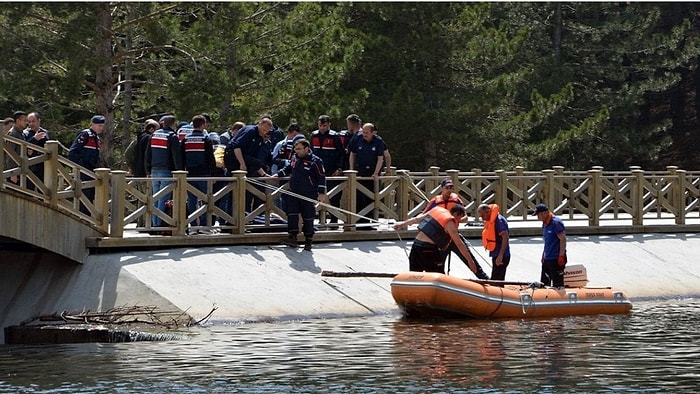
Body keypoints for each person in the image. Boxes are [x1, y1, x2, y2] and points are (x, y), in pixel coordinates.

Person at [421, 178, 490, 279]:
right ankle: (438, 284)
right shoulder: (435, 201)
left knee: (470, 259)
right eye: (447, 188)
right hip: (440, 238)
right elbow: (424, 216)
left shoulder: (457, 200)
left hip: (454, 236)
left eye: (451, 188)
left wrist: (456, 220)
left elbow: (465, 217)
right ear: (441, 188)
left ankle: (485, 280)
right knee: (437, 265)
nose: (449, 190)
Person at [392, 205, 484, 277]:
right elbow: (459, 244)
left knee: (415, 275)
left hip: (416, 246)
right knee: (438, 275)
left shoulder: (436, 210)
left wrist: (402, 224)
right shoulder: (450, 223)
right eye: (459, 219)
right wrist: (470, 261)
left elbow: (417, 219)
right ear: (456, 214)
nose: (458, 222)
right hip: (428, 249)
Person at [270, 138, 326, 251]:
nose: (297, 151)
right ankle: (292, 237)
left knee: (308, 217)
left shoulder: (316, 161)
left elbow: (321, 177)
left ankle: (308, 240)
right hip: (294, 192)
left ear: (307, 149)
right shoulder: (295, 158)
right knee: (292, 214)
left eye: (299, 149)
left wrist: (321, 193)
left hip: (308, 194)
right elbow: (289, 168)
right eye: (296, 149)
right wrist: (278, 174)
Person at [226, 115, 274, 213]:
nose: (264, 132)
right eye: (263, 129)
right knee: (235, 189)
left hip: (245, 157)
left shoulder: (260, 138)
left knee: (249, 188)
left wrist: (263, 174)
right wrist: (242, 164)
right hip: (234, 156)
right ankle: (231, 216)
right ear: (259, 124)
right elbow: (237, 147)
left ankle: (246, 215)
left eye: (266, 131)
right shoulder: (250, 131)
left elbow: (255, 159)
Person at [145, 115, 183, 230]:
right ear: (173, 124)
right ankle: (159, 224)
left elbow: (148, 153)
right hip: (166, 170)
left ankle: (153, 223)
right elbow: (176, 156)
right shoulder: (172, 136)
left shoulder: (154, 134)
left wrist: (147, 169)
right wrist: (179, 171)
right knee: (163, 198)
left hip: (154, 169)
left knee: (155, 198)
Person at [181, 115, 216, 232]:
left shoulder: (185, 139)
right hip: (204, 173)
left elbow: (182, 157)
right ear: (202, 125)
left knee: (192, 200)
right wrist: (213, 173)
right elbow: (211, 158)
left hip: (190, 173)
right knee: (207, 199)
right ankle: (205, 226)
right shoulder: (206, 139)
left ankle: (193, 225)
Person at [349, 123, 385, 229]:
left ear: (373, 132)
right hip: (360, 171)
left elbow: (380, 158)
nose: (364, 134)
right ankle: (358, 221)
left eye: (367, 133)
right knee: (359, 197)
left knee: (371, 198)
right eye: (363, 132)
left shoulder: (378, 141)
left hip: (372, 172)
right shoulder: (358, 139)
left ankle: (368, 222)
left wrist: (376, 172)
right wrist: (352, 169)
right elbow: (352, 154)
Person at [310, 115, 344, 226]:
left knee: (334, 196)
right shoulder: (314, 135)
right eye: (320, 125)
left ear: (329, 125)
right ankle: (320, 219)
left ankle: (334, 219)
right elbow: (310, 153)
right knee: (317, 195)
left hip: (332, 170)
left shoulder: (335, 136)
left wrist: (339, 168)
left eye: (324, 125)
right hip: (317, 171)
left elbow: (341, 154)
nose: (322, 128)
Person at [68, 115, 105, 215]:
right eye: (98, 125)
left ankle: (88, 217)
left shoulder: (96, 138)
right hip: (83, 169)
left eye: (102, 126)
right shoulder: (85, 135)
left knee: (90, 196)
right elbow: (73, 152)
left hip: (91, 170)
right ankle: (83, 217)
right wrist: (76, 167)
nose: (100, 128)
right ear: (92, 124)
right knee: (84, 195)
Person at [532, 203, 567, 287]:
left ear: (544, 213)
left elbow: (563, 239)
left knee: (557, 283)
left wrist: (561, 256)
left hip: (556, 258)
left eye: (538, 215)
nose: (538, 218)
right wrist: (543, 255)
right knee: (544, 282)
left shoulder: (556, 223)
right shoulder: (544, 224)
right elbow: (547, 241)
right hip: (547, 257)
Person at [477, 203, 511, 281]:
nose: (482, 219)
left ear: (488, 211)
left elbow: (505, 238)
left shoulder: (499, 221)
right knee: (495, 278)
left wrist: (500, 255)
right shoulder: (491, 221)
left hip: (502, 255)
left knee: (498, 280)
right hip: (496, 254)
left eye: (482, 216)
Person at [24, 112, 50, 190]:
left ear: (39, 121)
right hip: (30, 165)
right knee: (29, 189)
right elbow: (24, 146)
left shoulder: (45, 132)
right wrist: (34, 139)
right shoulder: (25, 133)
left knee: (43, 190)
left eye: (33, 121)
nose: (31, 124)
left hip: (43, 165)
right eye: (29, 122)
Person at [5, 111, 27, 185]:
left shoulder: (21, 133)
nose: (26, 123)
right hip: (14, 171)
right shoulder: (13, 134)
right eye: (24, 120)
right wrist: (12, 173)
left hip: (20, 168)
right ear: (18, 121)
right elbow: (10, 154)